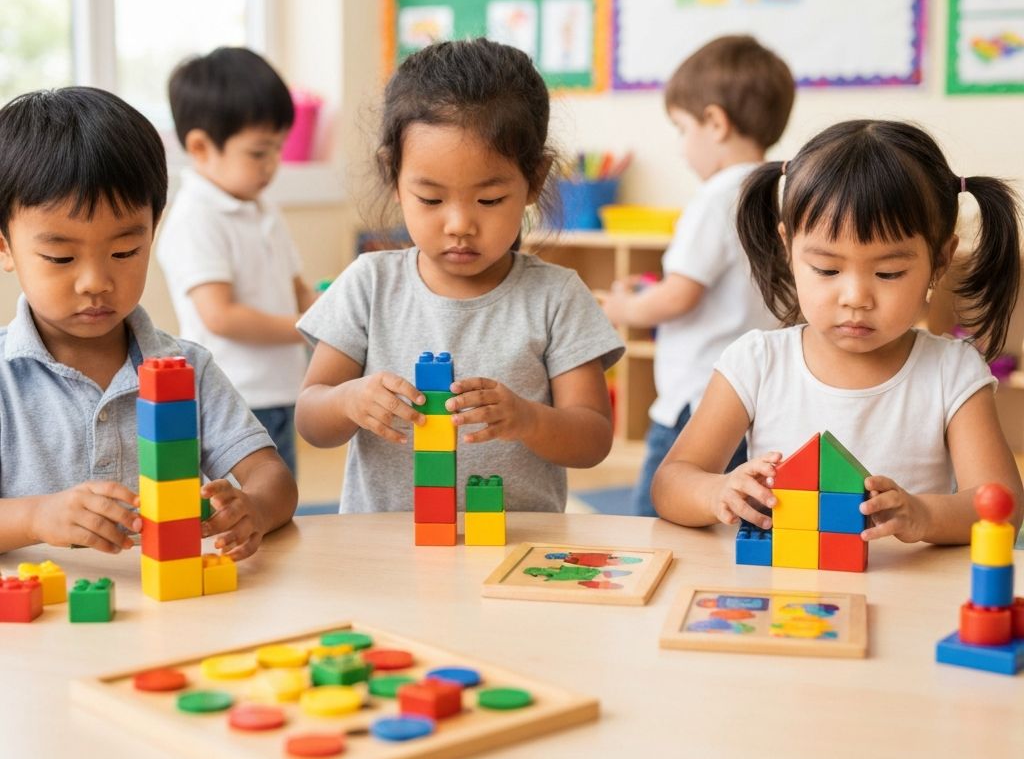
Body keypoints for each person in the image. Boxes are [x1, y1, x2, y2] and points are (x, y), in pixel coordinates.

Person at [652, 119, 1024, 544]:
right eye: (827, 269)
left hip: (908, 584)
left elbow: (1004, 505)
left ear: (940, 261)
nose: (855, 297)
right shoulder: (756, 362)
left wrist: (924, 515)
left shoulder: (951, 371)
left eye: (889, 273)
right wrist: (716, 491)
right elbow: (670, 484)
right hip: (785, 582)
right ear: (788, 248)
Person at [296, 38, 623, 514]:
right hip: (383, 542)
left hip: (514, 543)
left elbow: (592, 439)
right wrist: (349, 401)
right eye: (431, 199)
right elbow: (310, 418)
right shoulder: (369, 284)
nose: (459, 225)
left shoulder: (556, 297)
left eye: (489, 200)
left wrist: (528, 419)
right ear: (392, 175)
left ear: (535, 179)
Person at [0, 87, 297, 558]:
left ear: (152, 233)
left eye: (124, 252)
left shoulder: (187, 368)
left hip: (170, 599)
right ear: (5, 246)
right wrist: (35, 517)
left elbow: (271, 476)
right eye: (60, 258)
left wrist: (254, 508)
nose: (95, 282)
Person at [602, 35, 793, 516]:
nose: (682, 149)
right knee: (736, 512)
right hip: (755, 397)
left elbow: (679, 297)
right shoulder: (778, 192)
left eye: (682, 129)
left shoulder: (716, 197)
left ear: (715, 123)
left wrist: (625, 307)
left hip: (697, 400)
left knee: (660, 515)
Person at [157, 47, 316, 475]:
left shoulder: (264, 209)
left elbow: (297, 288)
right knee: (243, 501)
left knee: (280, 494)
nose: (272, 165)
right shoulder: (195, 218)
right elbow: (220, 316)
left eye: (278, 150)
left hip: (280, 389)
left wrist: (330, 313)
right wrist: (306, 328)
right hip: (231, 396)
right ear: (201, 147)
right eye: (259, 153)